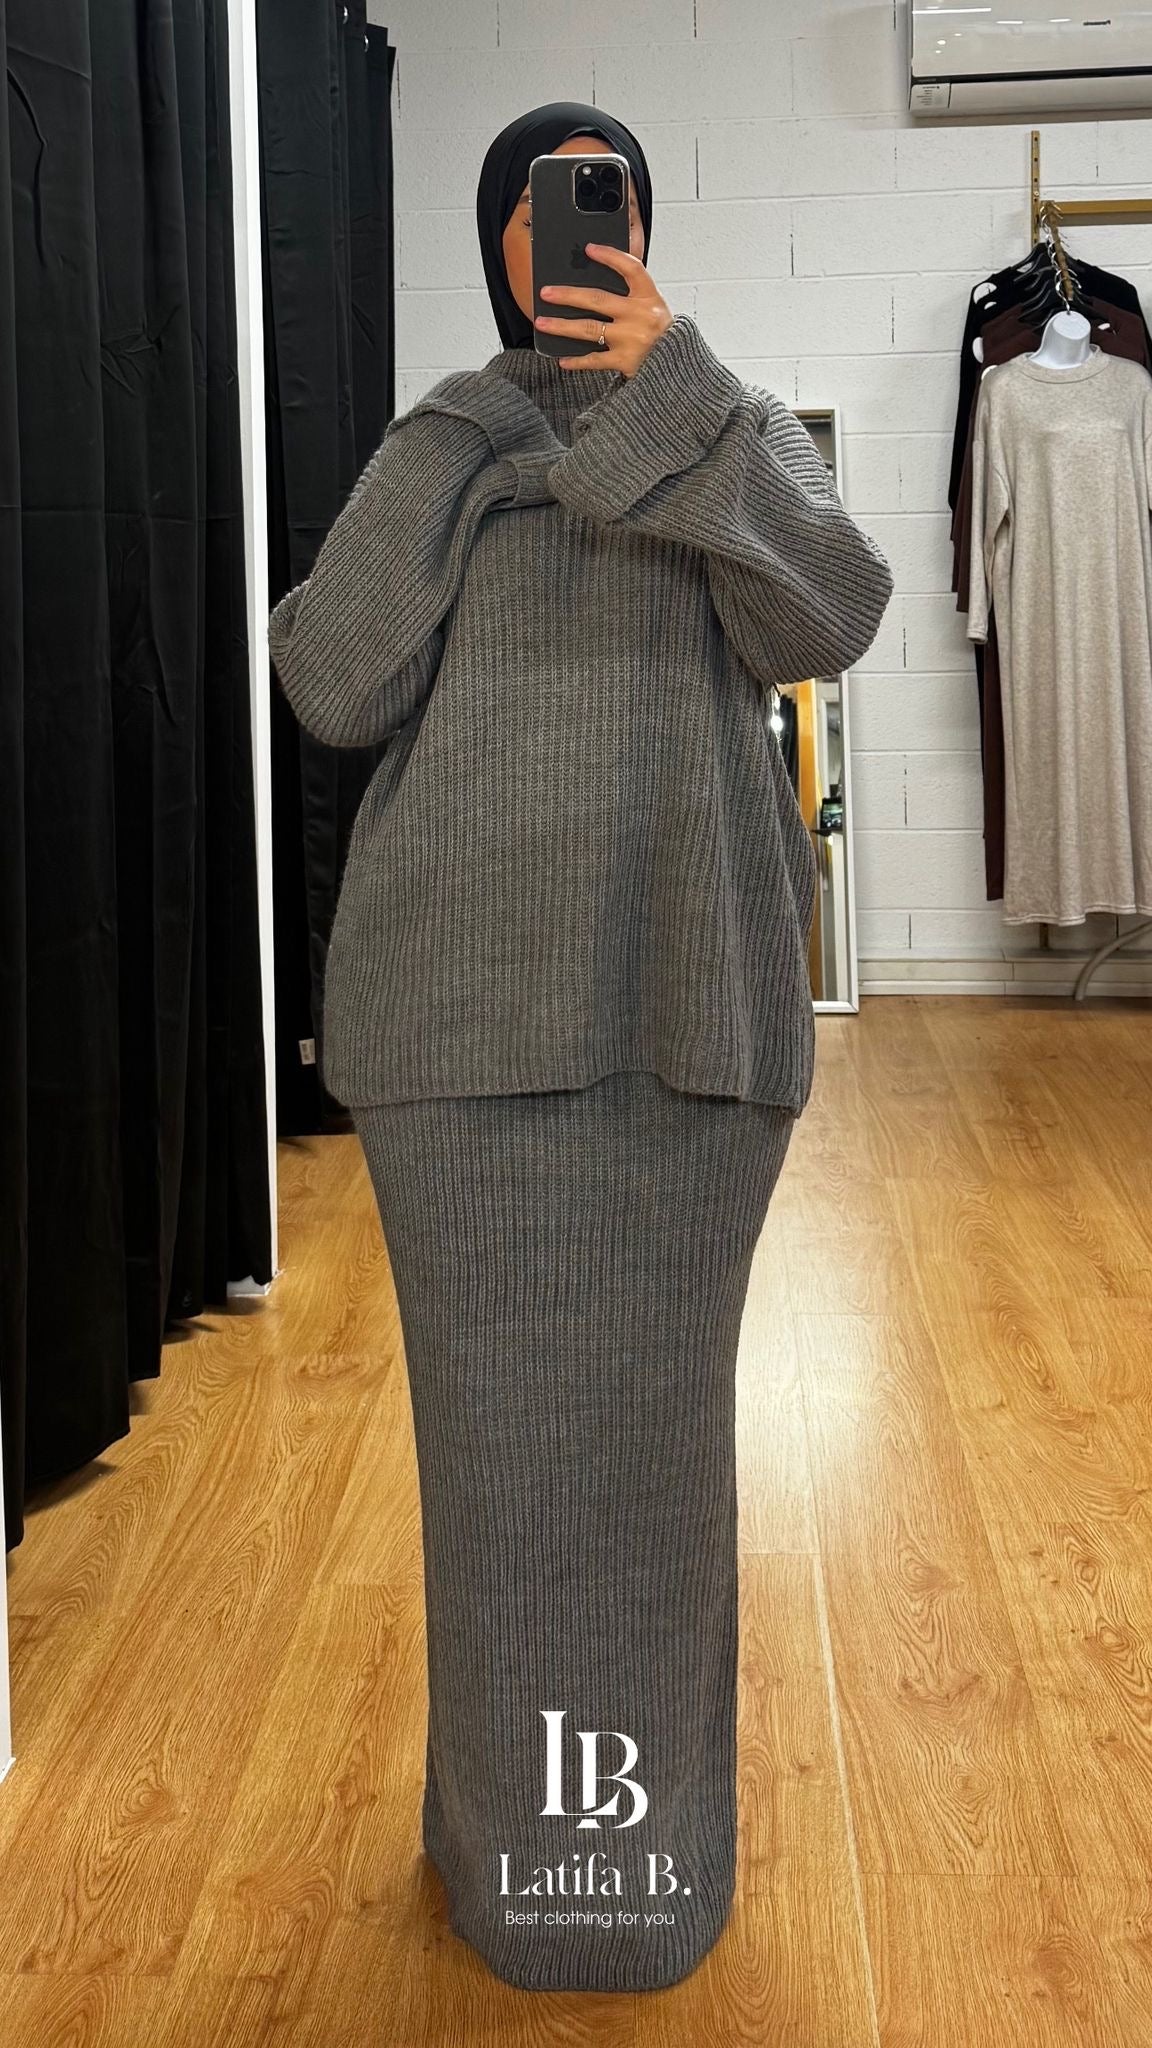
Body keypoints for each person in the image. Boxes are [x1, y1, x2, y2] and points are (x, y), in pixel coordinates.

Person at [268, 101, 893, 1995]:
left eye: (602, 201)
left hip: (685, 1020)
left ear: (638, 228)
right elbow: (329, 677)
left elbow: (833, 612)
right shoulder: (444, 442)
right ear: (499, 242)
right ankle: (518, 1864)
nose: (570, 234)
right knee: (495, 1467)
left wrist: (672, 403)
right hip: (456, 1043)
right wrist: (465, 464)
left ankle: (638, 1873)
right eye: (542, 208)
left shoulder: (726, 419)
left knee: (650, 1458)